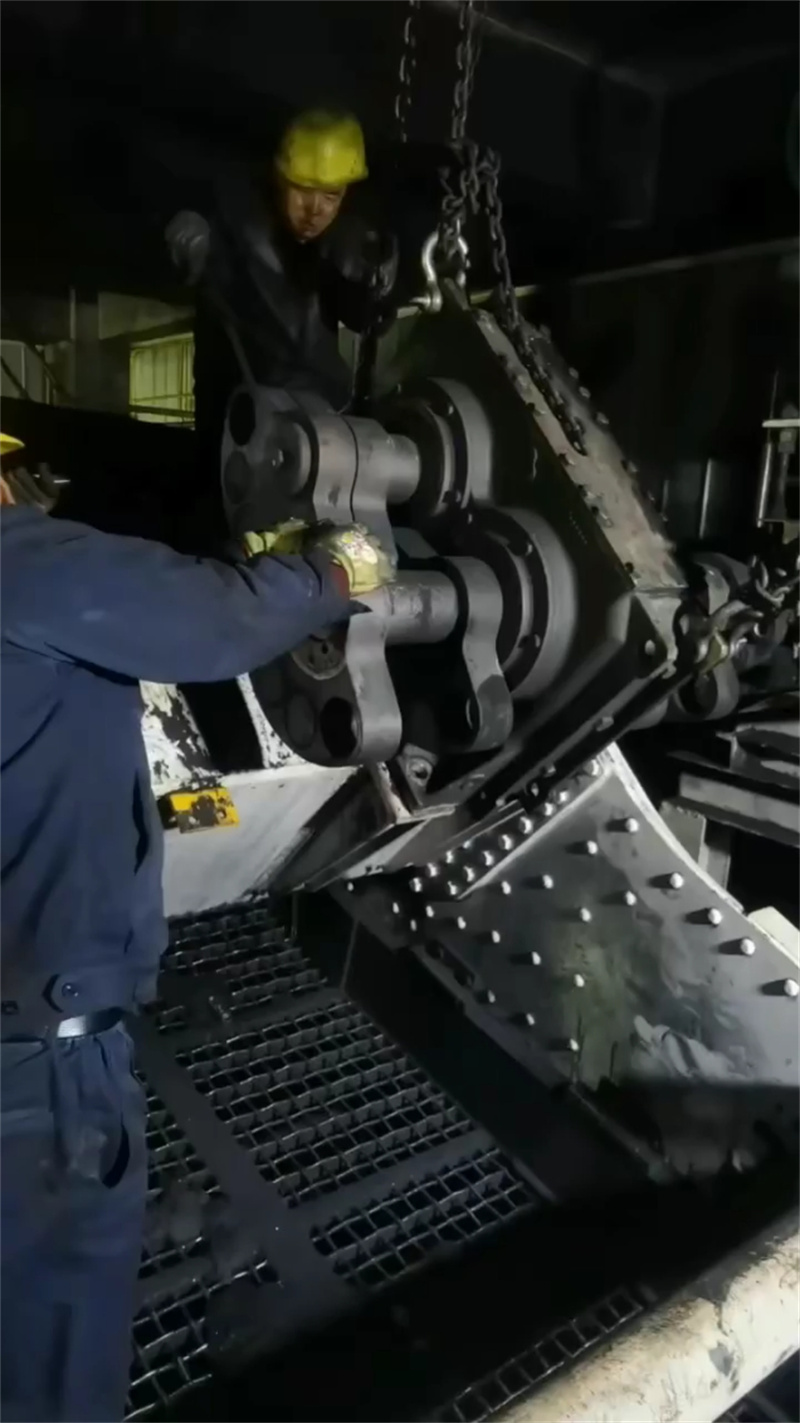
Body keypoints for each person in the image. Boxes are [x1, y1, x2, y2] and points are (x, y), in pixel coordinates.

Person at [0, 430, 393, 1423]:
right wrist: (332, 572)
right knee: (54, 1367)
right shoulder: (19, 564)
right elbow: (214, 621)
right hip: (38, 1069)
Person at [166, 109, 398, 459]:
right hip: (236, 426)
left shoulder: (341, 245)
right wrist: (190, 237)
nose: (315, 210)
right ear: (279, 177)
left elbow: (364, 316)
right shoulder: (235, 228)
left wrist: (377, 284)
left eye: (331, 195)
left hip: (316, 422)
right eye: (302, 189)